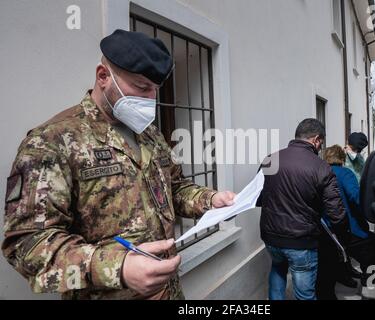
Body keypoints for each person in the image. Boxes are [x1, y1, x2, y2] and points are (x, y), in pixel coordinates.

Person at [2, 29, 235, 300]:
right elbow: (27, 243)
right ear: (103, 76)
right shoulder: (53, 141)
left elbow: (175, 189)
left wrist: (210, 200)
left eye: (155, 90)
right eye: (141, 87)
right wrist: (118, 267)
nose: (150, 99)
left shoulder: (150, 135)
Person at [257, 119, 349, 300]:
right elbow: (336, 213)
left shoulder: (270, 159)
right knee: (305, 295)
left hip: (271, 237)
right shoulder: (321, 167)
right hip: (301, 241)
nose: (321, 147)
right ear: (316, 139)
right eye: (321, 143)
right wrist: (343, 236)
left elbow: (259, 197)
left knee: (277, 269)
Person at [320, 145, 375, 296]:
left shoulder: (319, 173)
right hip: (349, 229)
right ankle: (372, 291)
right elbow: (356, 198)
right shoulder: (345, 173)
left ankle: (339, 280)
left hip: (325, 231)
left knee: (327, 269)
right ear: (341, 158)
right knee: (373, 251)